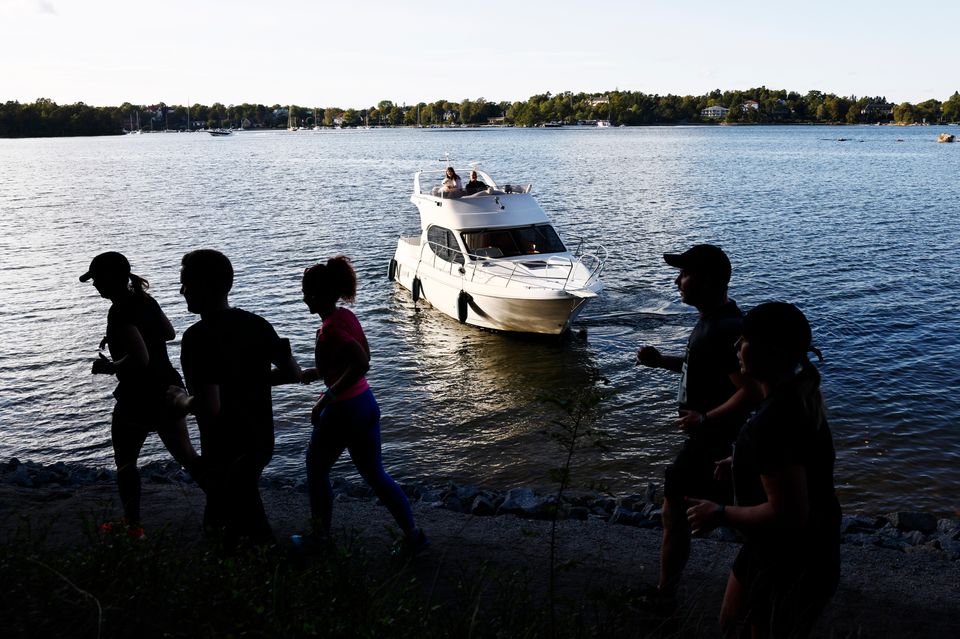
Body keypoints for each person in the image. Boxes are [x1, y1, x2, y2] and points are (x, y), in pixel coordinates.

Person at [686, 302, 841, 638]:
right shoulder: (795, 398)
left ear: (769, 351)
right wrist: (741, 462)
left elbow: (788, 514)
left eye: (743, 341)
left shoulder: (776, 419)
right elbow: (798, 463)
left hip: (792, 558)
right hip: (789, 547)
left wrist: (720, 513)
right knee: (732, 624)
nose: (735, 348)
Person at [635, 244, 758, 603]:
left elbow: (751, 392)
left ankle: (666, 595)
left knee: (678, 509)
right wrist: (662, 362)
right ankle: (669, 590)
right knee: (689, 507)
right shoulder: (714, 323)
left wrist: (705, 418)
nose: (677, 281)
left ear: (705, 281)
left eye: (684, 274)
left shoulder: (724, 329)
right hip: (715, 441)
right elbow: (704, 369)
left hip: (715, 442)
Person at [166, 249, 300, 549]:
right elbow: (293, 374)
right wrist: (250, 380)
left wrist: (179, 402)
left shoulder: (197, 338)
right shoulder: (257, 324)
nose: (181, 290)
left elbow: (210, 407)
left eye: (185, 283)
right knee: (246, 509)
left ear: (204, 285)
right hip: (261, 440)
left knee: (223, 528)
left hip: (225, 447)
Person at [292, 256, 427, 554]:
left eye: (306, 293)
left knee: (316, 470)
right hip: (365, 403)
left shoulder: (329, 329)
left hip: (342, 410)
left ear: (318, 295)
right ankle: (413, 535)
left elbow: (361, 362)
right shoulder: (346, 316)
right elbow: (359, 356)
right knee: (375, 474)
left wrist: (325, 397)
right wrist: (321, 373)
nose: (303, 299)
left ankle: (320, 541)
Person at [81, 251, 200, 538]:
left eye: (97, 279)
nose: (95, 285)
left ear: (112, 278)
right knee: (187, 456)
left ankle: (133, 526)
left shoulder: (120, 310)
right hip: (168, 387)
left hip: (138, 395)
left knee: (125, 461)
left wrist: (110, 366)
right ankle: (226, 507)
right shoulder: (146, 300)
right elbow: (169, 333)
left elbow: (140, 358)